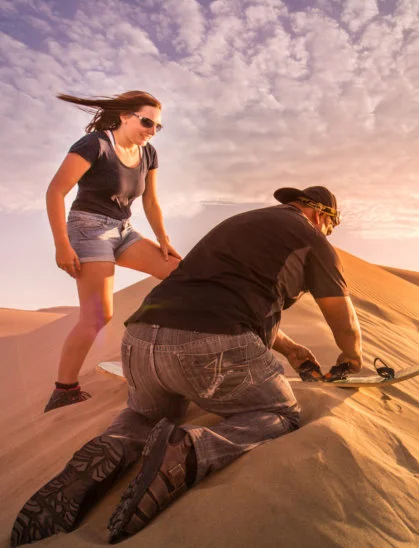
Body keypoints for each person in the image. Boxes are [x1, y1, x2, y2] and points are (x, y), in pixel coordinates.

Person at [11, 186, 363, 546]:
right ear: (320, 214)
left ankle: (116, 443)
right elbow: (344, 321)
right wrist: (352, 357)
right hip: (209, 345)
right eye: (331, 225)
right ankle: (191, 451)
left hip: (139, 339)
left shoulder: (237, 224)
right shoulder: (313, 240)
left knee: (145, 415)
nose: (329, 233)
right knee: (280, 412)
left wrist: (289, 348)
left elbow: (219, 294)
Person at [44, 91, 181, 412]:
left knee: (182, 274)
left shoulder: (148, 153)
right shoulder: (94, 144)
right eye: (146, 122)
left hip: (124, 230)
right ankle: (64, 390)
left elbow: (150, 201)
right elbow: (56, 191)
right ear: (124, 116)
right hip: (88, 228)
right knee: (97, 316)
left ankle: (159, 354)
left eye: (157, 126)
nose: (152, 130)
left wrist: (163, 239)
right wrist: (62, 244)